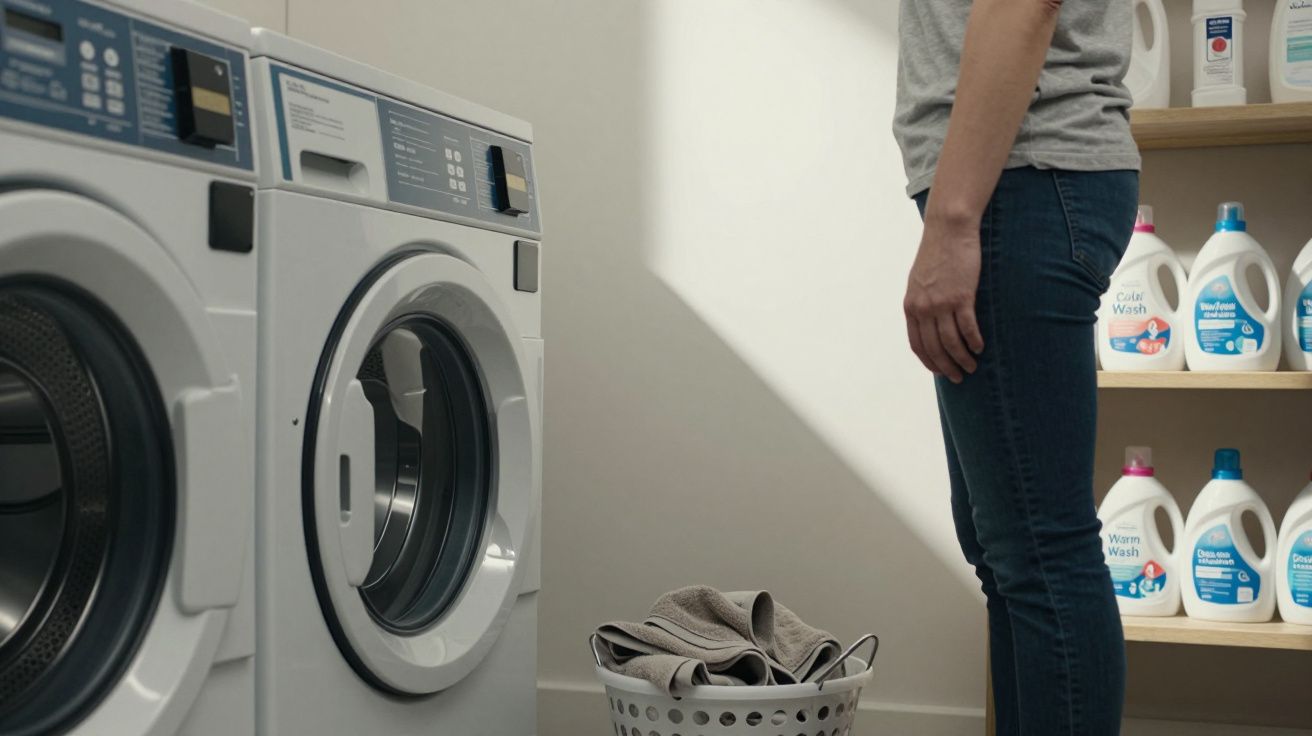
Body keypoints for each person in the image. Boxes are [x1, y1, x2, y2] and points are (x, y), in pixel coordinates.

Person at [893, 1, 1140, 734]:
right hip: (1026, 178)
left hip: (1023, 177)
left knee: (1038, 551)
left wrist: (953, 220)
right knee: (1009, 552)